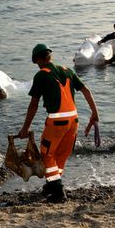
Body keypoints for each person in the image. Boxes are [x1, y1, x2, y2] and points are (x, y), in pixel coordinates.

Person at [18, 43, 99, 203]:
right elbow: (86, 91)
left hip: (56, 122)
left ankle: (58, 190)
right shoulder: (67, 70)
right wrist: (95, 113)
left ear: (37, 60)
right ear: (50, 56)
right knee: (61, 154)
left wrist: (25, 128)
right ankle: (52, 184)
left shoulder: (41, 75)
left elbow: (33, 104)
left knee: (47, 154)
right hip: (74, 121)